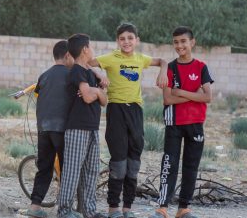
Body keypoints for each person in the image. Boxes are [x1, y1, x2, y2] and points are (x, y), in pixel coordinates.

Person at [88, 22, 168, 218]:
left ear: (137, 40)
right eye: (122, 39)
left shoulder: (141, 58)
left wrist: (163, 71)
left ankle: (128, 209)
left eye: (130, 38)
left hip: (136, 112)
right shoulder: (110, 58)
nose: (126, 42)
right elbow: (87, 64)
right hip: (116, 110)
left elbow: (163, 61)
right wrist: (99, 74)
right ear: (117, 41)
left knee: (134, 162)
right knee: (119, 162)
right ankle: (113, 208)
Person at [150, 27, 213, 218]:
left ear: (192, 42)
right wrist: (195, 95)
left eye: (183, 41)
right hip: (174, 122)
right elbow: (168, 99)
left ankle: (183, 208)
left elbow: (208, 97)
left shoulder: (201, 67)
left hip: (195, 123)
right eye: (176, 42)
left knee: (191, 166)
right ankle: (162, 207)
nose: (180, 45)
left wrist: (182, 92)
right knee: (170, 164)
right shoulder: (169, 68)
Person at [57, 34, 108, 218]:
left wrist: (95, 88)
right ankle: (64, 211)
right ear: (85, 49)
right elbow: (88, 97)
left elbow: (104, 100)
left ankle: (89, 211)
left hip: (93, 128)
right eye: (91, 46)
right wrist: (96, 91)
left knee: (91, 171)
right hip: (77, 128)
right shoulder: (77, 71)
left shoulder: (88, 72)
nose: (92, 49)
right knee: (72, 171)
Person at [26, 40, 74, 218]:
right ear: (68, 55)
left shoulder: (44, 75)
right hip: (62, 128)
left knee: (44, 168)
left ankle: (34, 206)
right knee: (67, 168)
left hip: (43, 128)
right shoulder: (71, 75)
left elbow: (39, 94)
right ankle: (65, 209)